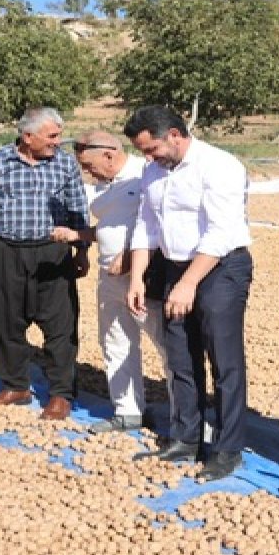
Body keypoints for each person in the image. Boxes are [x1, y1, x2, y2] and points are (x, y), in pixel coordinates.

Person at [123, 106, 253, 483]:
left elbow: (220, 231)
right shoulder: (153, 171)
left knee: (223, 359)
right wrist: (137, 279)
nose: (148, 158)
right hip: (175, 267)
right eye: (143, 152)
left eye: (152, 149)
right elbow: (147, 225)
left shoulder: (219, 166)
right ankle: (186, 437)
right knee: (180, 354)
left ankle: (227, 448)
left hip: (220, 268)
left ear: (175, 135)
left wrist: (189, 283)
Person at [0, 107, 90, 421]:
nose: (58, 141)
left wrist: (81, 249)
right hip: (5, 251)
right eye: (52, 136)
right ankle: (16, 385)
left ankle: (60, 394)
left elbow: (77, 208)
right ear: (28, 137)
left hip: (53, 252)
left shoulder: (65, 164)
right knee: (4, 321)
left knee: (60, 325)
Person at [52, 131, 160, 434]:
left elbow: (157, 223)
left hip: (143, 274)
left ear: (109, 155)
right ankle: (128, 410)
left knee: (164, 342)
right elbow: (111, 225)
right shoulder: (105, 183)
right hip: (108, 275)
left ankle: (185, 417)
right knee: (115, 339)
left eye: (89, 166)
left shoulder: (144, 176)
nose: (87, 173)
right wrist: (79, 236)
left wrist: (130, 256)